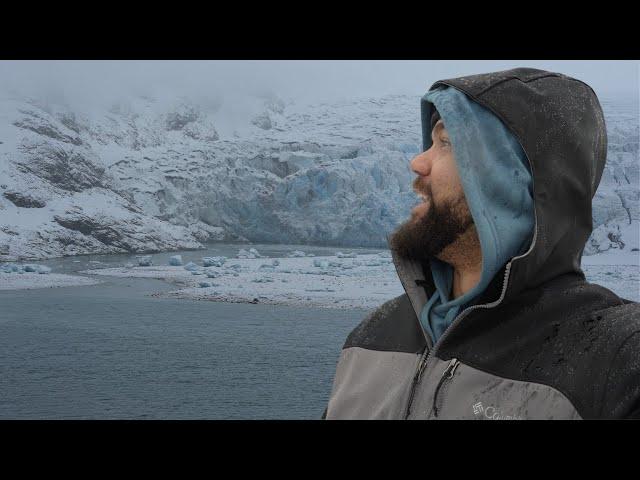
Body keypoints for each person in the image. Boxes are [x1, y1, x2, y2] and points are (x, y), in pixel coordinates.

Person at [322, 67, 640, 420]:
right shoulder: (371, 337)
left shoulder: (618, 360)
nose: (417, 162)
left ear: (512, 180)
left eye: (446, 142)